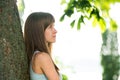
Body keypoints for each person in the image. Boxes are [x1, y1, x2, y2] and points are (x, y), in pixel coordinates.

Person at [24, 12, 62, 80]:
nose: (55, 31)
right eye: (50, 27)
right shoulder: (42, 57)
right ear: (38, 31)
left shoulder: (35, 55)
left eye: (54, 26)